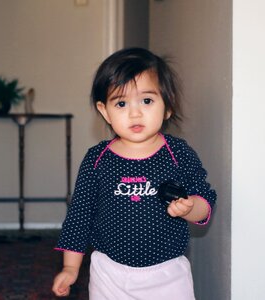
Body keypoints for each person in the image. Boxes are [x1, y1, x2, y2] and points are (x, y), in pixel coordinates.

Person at [52, 47, 216, 299]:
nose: (135, 112)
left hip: (168, 273)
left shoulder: (178, 153)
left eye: (147, 101)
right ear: (105, 111)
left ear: (168, 106)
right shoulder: (97, 159)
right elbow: (79, 216)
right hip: (109, 273)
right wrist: (70, 267)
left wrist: (190, 206)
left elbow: (205, 201)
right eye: (121, 103)